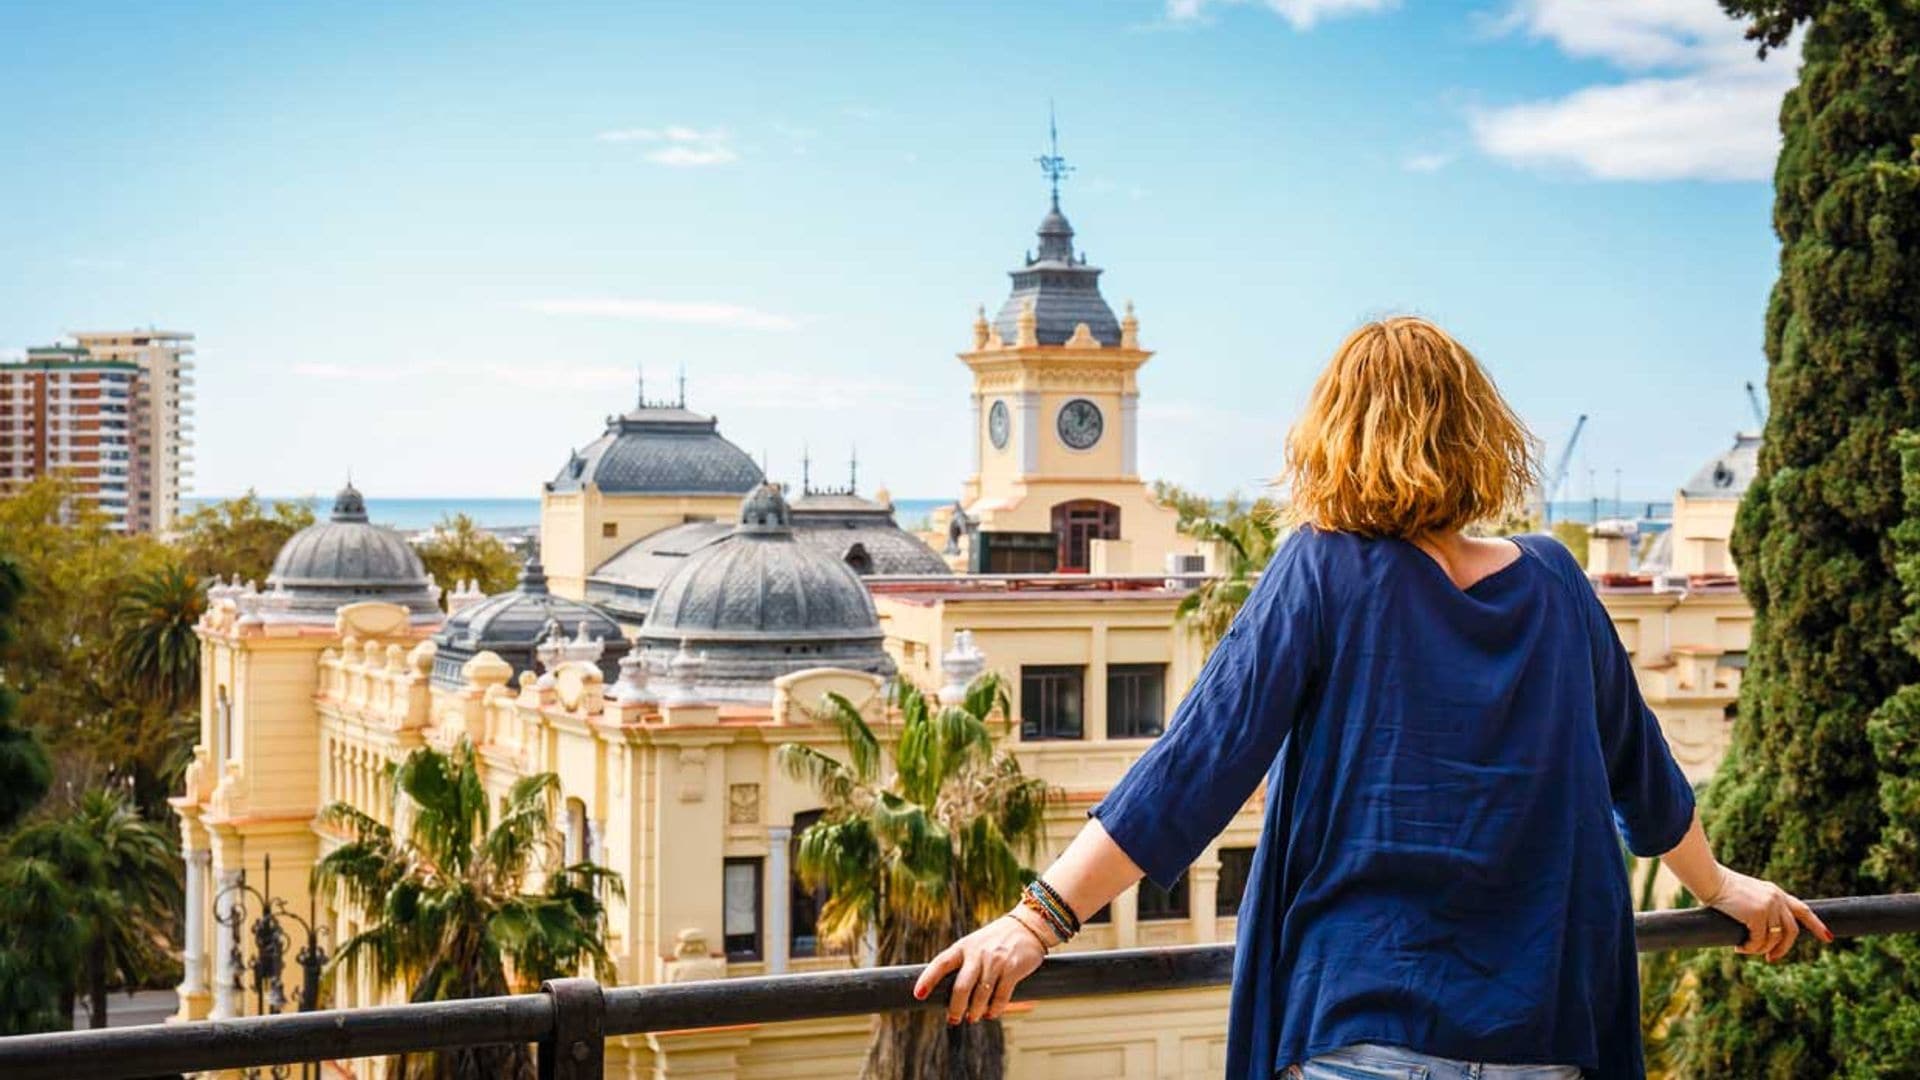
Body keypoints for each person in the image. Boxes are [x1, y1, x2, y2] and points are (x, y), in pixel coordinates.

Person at [912, 317, 1829, 1080]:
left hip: (1366, 1029)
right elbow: (1647, 781)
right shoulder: (1557, 580)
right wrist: (1720, 889)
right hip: (1545, 1038)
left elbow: (1195, 765)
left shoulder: (1322, 567)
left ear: (1334, 436)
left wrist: (1038, 921)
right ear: (1480, 434)